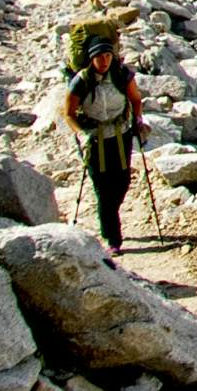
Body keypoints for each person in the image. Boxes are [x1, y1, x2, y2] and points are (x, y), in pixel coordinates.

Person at [63, 20, 145, 250]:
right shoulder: (81, 81)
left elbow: (136, 99)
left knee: (122, 182)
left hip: (121, 135)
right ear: (91, 58)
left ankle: (109, 220)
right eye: (100, 57)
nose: (104, 61)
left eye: (108, 56)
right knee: (103, 188)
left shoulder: (121, 75)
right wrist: (81, 135)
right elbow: (68, 113)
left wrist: (138, 120)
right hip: (94, 140)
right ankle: (113, 238)